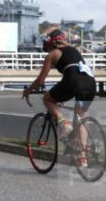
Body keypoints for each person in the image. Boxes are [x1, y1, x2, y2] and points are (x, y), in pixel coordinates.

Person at [22, 29, 97, 166]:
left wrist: (29, 90)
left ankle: (63, 123)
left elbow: (40, 81)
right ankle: (81, 156)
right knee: (80, 116)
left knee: (47, 99)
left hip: (73, 81)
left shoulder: (53, 54)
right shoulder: (74, 50)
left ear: (52, 43)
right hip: (91, 82)